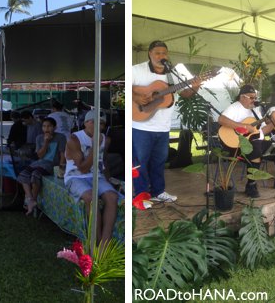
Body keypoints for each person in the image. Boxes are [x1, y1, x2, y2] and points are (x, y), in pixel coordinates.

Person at [132, 40, 200, 206]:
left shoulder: (173, 73)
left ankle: (158, 191)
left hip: (163, 127)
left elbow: (185, 94)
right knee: (140, 163)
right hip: (141, 125)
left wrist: (196, 86)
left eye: (164, 53)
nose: (161, 56)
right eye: (157, 53)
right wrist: (137, 97)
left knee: (159, 162)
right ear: (150, 54)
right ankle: (141, 195)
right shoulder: (136, 70)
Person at [217, 84, 275, 198]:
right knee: (256, 147)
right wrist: (244, 126)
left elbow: (262, 131)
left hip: (255, 142)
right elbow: (221, 119)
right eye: (251, 97)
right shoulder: (235, 107)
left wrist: (273, 123)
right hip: (235, 146)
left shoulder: (255, 111)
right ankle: (251, 185)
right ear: (242, 97)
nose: (254, 100)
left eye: (255, 97)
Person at [64, 110, 119, 245]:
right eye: (94, 122)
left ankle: (105, 242)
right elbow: (83, 168)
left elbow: (103, 161)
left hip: (97, 176)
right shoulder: (74, 139)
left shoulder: (106, 140)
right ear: (86, 123)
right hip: (76, 177)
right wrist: (95, 146)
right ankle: (95, 242)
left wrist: (108, 180)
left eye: (101, 123)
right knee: (91, 197)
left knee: (112, 196)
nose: (98, 126)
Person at [18, 116, 67, 215]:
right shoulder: (39, 138)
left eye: (49, 126)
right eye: (44, 126)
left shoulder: (60, 137)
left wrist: (61, 168)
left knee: (35, 175)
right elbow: (39, 156)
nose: (46, 129)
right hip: (39, 162)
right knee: (23, 174)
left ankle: (33, 199)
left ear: (55, 127)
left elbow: (63, 154)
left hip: (52, 164)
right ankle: (30, 199)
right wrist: (46, 143)